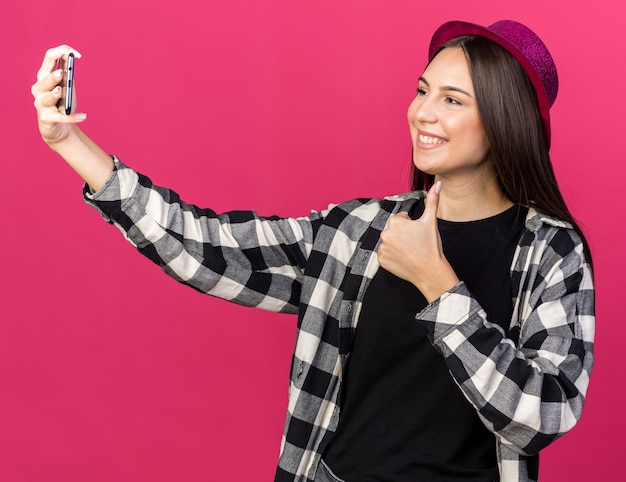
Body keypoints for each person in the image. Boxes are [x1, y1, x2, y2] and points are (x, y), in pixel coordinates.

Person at [31, 19, 595, 482]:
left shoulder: (552, 251)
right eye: (423, 90)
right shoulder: (361, 231)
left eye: (452, 99)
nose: (423, 113)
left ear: (504, 120)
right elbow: (206, 248)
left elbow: (541, 415)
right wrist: (70, 143)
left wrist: (439, 285)